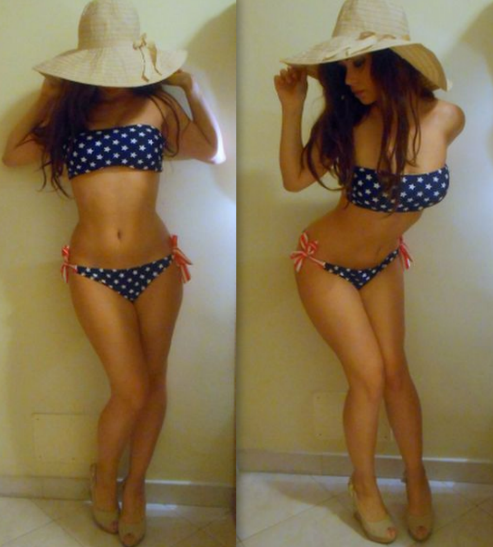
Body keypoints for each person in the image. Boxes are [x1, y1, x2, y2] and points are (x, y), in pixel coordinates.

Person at [2, 1, 225, 546]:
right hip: (92, 270)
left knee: (155, 382)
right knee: (130, 389)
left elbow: (213, 152)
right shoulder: (69, 115)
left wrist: (191, 90)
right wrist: (47, 96)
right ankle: (104, 476)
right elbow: (12, 156)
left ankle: (136, 485)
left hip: (158, 266)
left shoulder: (158, 107)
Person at [274, 0, 464, 543]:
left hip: (382, 262)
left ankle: (416, 476)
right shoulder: (350, 123)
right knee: (369, 377)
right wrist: (293, 106)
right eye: (344, 67)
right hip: (324, 263)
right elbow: (293, 179)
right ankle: (364, 485)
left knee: (397, 371)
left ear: (395, 62)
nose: (350, 77)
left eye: (359, 63)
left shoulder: (447, 118)